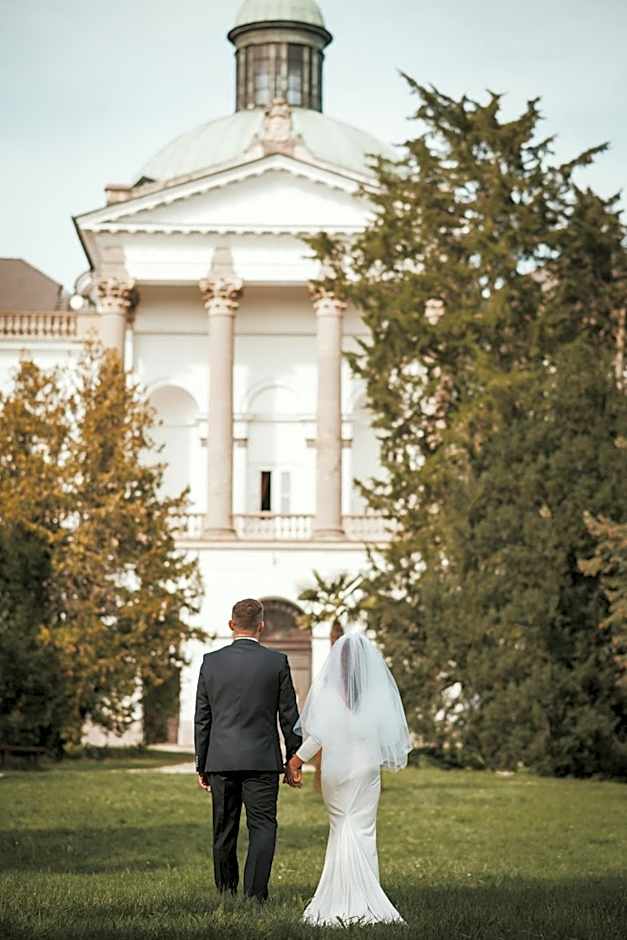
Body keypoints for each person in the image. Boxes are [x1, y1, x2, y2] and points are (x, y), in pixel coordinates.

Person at [287, 630, 411, 926]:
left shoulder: (329, 689)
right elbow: (389, 734)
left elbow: (317, 735)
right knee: (364, 830)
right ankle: (367, 895)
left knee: (340, 827)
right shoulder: (378, 692)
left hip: (336, 771)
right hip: (366, 770)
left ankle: (336, 896)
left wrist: (295, 761)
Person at [194, 597, 302, 903]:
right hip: (262, 760)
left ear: (231, 625)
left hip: (221, 760)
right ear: (262, 626)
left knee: (223, 829)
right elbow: (289, 714)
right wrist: (294, 759)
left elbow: (203, 717)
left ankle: (226, 893)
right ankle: (255, 897)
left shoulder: (210, 662)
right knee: (263, 827)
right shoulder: (276, 662)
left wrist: (202, 763)